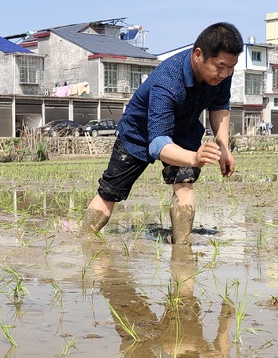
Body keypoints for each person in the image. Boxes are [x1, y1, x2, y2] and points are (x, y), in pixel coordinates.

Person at [81, 22, 242, 245]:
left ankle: (181, 248)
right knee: (110, 191)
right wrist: (195, 158)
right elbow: (157, 144)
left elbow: (219, 105)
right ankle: (83, 240)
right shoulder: (167, 81)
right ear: (198, 55)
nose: (224, 74)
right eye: (220, 66)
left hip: (183, 130)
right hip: (139, 133)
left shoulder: (221, 74)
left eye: (230, 67)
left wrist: (223, 147)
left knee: (184, 184)